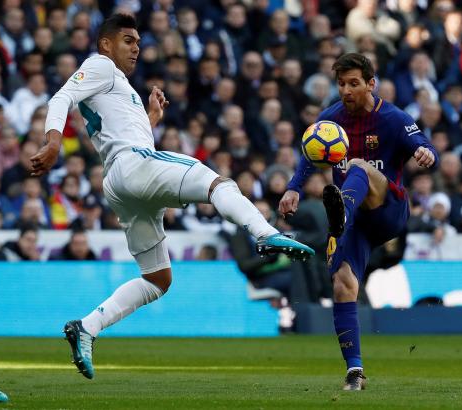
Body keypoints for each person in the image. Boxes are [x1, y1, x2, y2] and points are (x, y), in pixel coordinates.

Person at [29, 14, 314, 380]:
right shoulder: (100, 65)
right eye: (128, 40)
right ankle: (265, 233)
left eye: (138, 42)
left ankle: (87, 327)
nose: (136, 48)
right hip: (132, 166)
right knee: (218, 183)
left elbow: (126, 134)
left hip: (121, 181)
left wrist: (151, 118)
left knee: (158, 279)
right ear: (106, 44)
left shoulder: (117, 85)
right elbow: (61, 98)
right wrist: (53, 142)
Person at [279, 53, 438, 391]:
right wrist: (293, 188)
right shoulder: (329, 120)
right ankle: (355, 371)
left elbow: (423, 144)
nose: (346, 90)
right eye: (341, 84)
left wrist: (425, 152)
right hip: (353, 225)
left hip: (388, 210)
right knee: (343, 283)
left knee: (359, 167)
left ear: (371, 84)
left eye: (354, 83)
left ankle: (342, 212)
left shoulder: (393, 118)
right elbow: (309, 156)